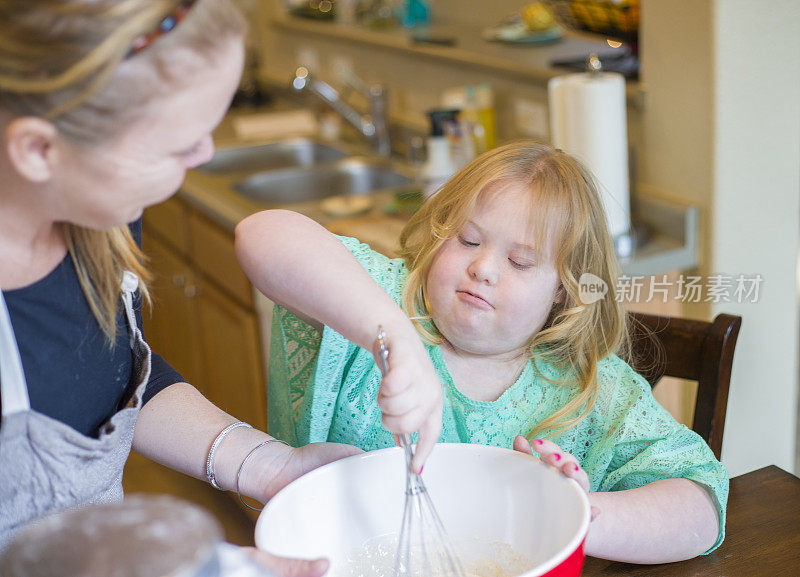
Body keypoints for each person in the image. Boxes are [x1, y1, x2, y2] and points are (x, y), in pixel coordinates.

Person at [235, 141, 729, 564]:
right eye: (468, 240)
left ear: (564, 289)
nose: (484, 268)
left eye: (520, 261)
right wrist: (393, 335)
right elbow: (262, 233)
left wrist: (578, 516)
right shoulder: (375, 301)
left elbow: (701, 507)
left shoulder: (590, 392)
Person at [0, 1, 365, 574]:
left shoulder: (100, 220)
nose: (207, 155)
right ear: (40, 150)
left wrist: (269, 465)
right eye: (178, 146)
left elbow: (113, 378)